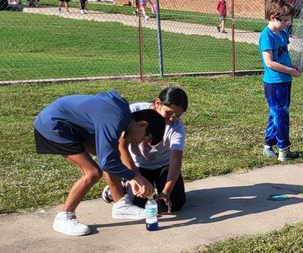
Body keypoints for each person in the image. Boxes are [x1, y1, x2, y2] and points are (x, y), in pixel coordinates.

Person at [34, 90, 166, 236]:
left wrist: (132, 178)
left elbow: (110, 157)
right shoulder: (113, 119)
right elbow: (106, 163)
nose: (140, 142)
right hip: (53, 125)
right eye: (146, 138)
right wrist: (136, 177)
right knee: (93, 172)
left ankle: (120, 205)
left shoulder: (122, 115)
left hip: (72, 125)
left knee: (113, 155)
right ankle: (64, 216)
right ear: (142, 125)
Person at [103, 87, 190, 213]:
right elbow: (122, 147)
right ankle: (118, 188)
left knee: (176, 203)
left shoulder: (176, 127)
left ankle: (159, 189)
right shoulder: (135, 113)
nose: (172, 118)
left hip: (163, 165)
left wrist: (166, 192)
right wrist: (135, 176)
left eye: (177, 116)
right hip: (138, 165)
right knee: (139, 203)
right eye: (169, 113)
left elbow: (176, 161)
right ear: (158, 103)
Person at [260, 0, 301, 161]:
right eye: (284, 20)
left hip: (285, 80)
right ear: (272, 17)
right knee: (280, 115)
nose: (286, 24)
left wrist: (293, 66)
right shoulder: (266, 36)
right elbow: (269, 62)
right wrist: (290, 71)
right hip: (274, 82)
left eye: (288, 21)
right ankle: (284, 148)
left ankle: (268, 145)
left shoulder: (282, 34)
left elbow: (284, 55)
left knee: (276, 113)